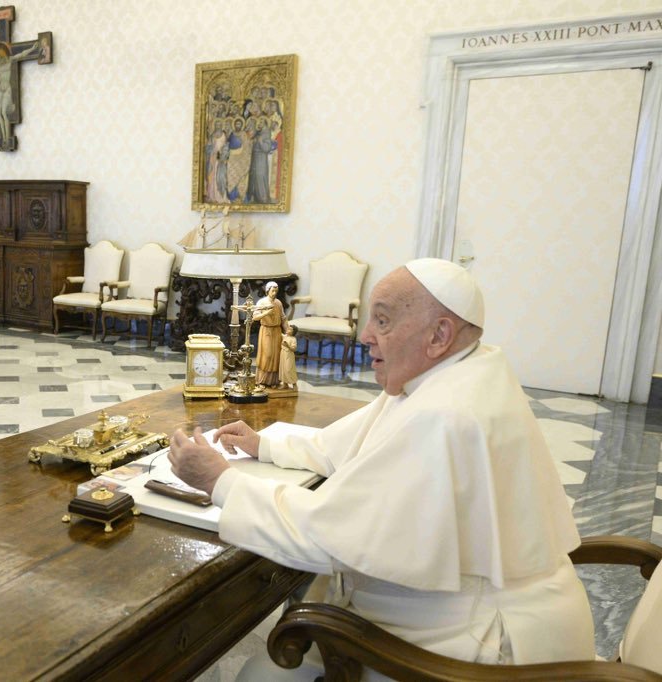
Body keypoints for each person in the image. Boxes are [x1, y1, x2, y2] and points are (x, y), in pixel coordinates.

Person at [168, 259, 594, 679]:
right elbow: (346, 443)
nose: (365, 336)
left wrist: (219, 481)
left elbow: (327, 538)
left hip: (473, 645)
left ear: (439, 334)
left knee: (262, 675)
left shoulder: (446, 414)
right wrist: (266, 443)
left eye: (383, 322)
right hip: (464, 608)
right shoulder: (455, 371)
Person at [253, 281, 289, 387]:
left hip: (277, 331)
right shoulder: (261, 302)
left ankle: (273, 381)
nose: (274, 293)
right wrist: (266, 313)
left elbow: (283, 318)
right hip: (266, 330)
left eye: (276, 291)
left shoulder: (278, 303)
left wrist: (287, 330)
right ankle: (262, 380)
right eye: (272, 291)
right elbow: (255, 317)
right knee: (267, 355)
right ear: (267, 291)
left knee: (276, 355)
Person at [278, 324, 298, 389]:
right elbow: (280, 333)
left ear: (293, 332)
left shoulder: (293, 339)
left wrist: (288, 346)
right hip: (283, 354)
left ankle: (294, 383)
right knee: (283, 368)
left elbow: (294, 349)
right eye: (288, 328)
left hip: (289, 355)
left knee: (289, 369)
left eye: (290, 329)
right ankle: (285, 383)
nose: (287, 330)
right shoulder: (285, 336)